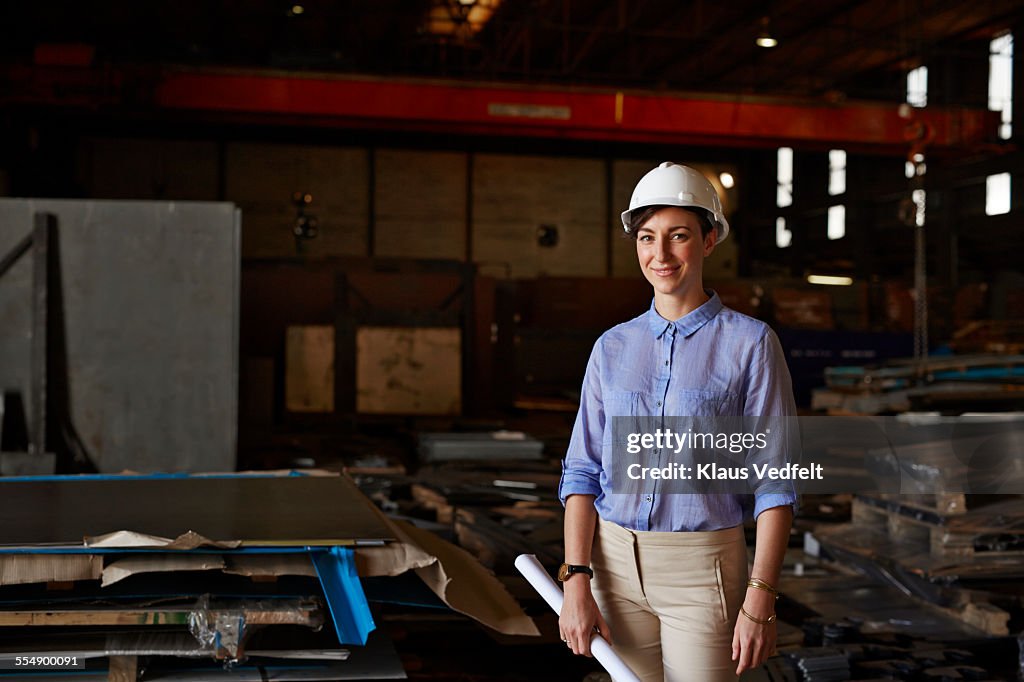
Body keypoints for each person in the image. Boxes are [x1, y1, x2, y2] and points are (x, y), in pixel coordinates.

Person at [556, 162, 797, 681]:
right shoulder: (612, 347)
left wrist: (760, 598)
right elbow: (582, 471)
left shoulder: (750, 344)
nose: (659, 255)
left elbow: (776, 482)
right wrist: (577, 577)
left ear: (709, 241)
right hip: (612, 565)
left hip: (702, 570)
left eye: (678, 236)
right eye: (647, 238)